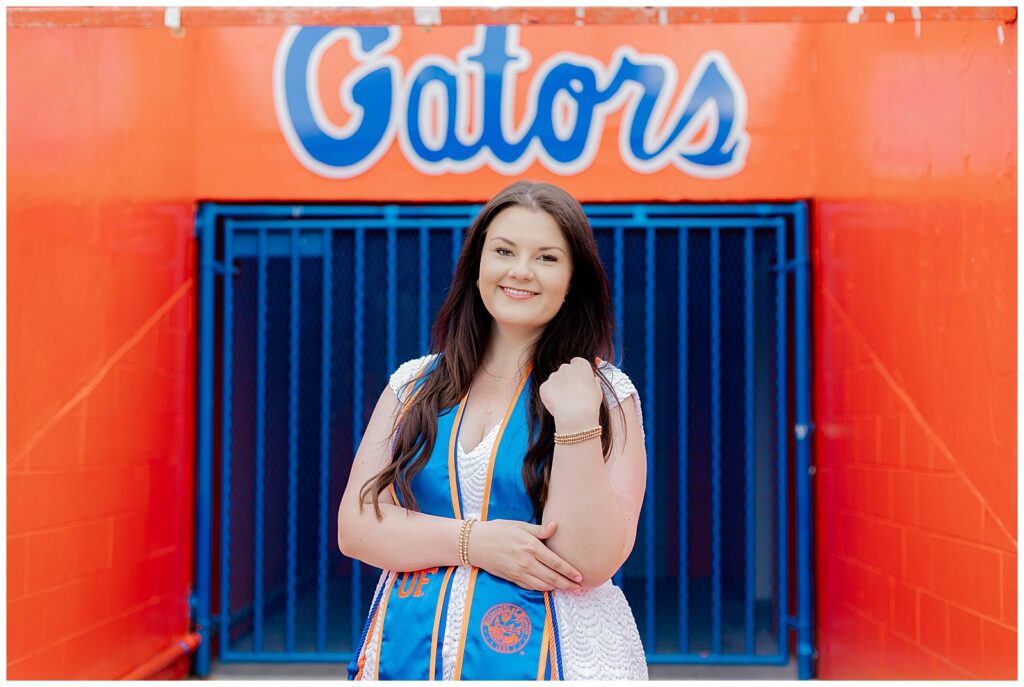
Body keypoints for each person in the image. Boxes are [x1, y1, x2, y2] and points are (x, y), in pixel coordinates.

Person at [338, 180, 648, 680]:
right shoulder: (413, 384)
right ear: (477, 264)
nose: (520, 271)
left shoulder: (606, 393)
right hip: (411, 652)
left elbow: (587, 562)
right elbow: (356, 528)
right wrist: (475, 543)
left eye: (547, 257)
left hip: (563, 659)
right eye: (504, 251)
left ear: (574, 279)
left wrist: (574, 424)